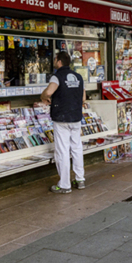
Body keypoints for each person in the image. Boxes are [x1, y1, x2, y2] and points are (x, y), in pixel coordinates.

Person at [40, 50, 86, 194]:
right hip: (76, 117)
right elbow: (83, 98)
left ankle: (65, 184)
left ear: (59, 61)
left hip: (61, 119)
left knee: (62, 151)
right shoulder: (78, 77)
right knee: (77, 148)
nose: (54, 62)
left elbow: (48, 92)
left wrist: (43, 96)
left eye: (55, 60)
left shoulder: (57, 76)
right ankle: (80, 179)